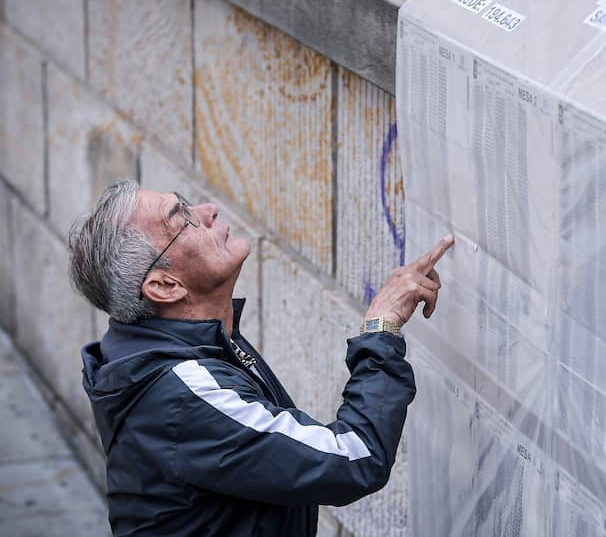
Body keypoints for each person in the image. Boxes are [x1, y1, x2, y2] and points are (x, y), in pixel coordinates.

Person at [69, 180, 453, 536]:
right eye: (182, 218)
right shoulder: (183, 395)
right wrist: (382, 328)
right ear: (165, 286)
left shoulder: (183, 342)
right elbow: (353, 457)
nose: (208, 210)